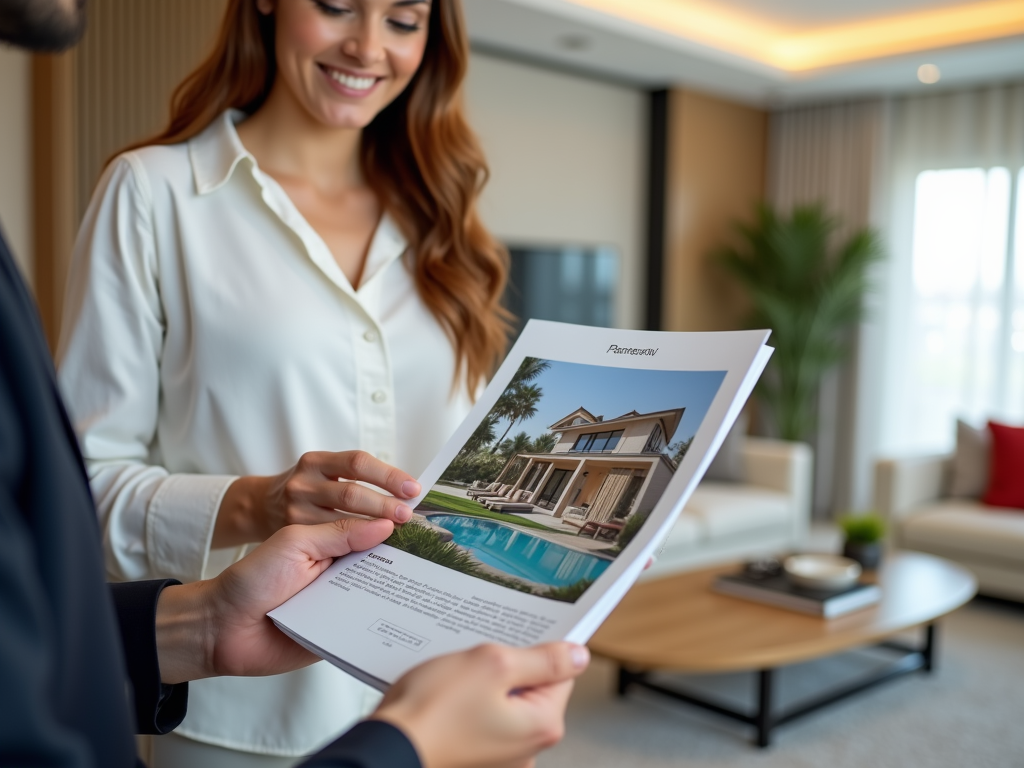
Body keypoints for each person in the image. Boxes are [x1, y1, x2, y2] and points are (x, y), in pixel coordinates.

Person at [0, 3, 589, 768]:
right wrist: (256, 501)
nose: (368, 46)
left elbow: (456, 476)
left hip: (444, 693)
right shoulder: (154, 194)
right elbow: (77, 496)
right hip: (242, 711)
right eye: (337, 4)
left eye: (405, 20)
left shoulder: (447, 222)